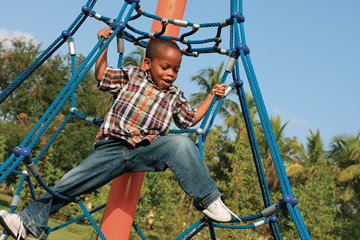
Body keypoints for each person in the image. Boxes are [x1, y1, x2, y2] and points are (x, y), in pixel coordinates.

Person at [0, 26, 238, 240]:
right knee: (69, 183)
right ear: (147, 64)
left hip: (145, 149)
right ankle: (25, 222)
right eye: (165, 67)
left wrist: (210, 97)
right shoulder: (132, 75)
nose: (170, 74)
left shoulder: (175, 95)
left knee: (182, 144)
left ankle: (209, 199)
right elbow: (103, 75)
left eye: (175, 69)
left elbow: (189, 120)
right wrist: (104, 46)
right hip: (112, 147)